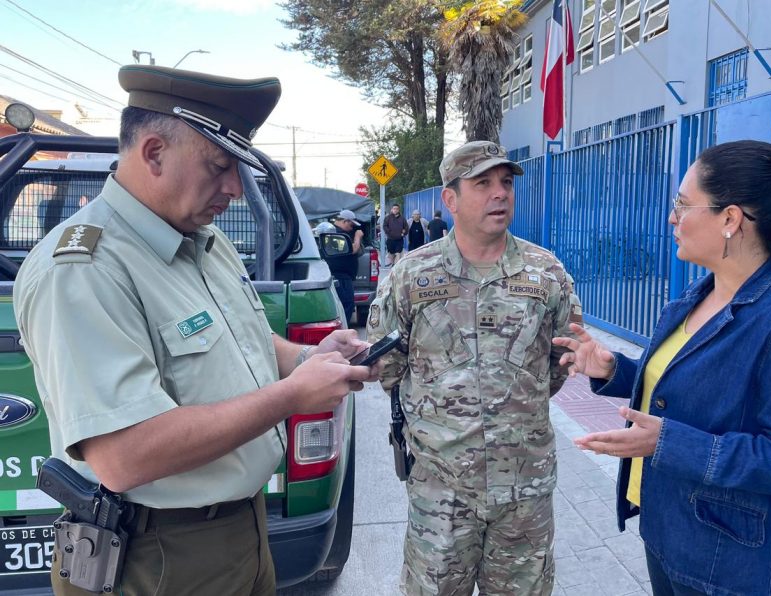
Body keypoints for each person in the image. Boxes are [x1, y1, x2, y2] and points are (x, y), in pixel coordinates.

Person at [13, 65, 377, 595]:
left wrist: (308, 358)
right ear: (154, 153)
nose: (235, 188)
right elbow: (124, 457)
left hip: (240, 529)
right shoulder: (84, 270)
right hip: (157, 555)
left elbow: (243, 340)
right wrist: (293, 395)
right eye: (219, 166)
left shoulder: (202, 239)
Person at [554, 141, 771, 596]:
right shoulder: (699, 296)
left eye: (683, 205)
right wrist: (614, 370)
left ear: (730, 219)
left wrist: (667, 442)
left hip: (734, 564)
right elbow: (692, 390)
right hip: (671, 530)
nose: (672, 218)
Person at [368, 140, 583, 595]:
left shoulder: (546, 274)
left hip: (523, 491)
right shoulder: (411, 275)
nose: (499, 193)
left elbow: (560, 362)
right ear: (450, 199)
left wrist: (511, 405)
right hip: (440, 489)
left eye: (505, 182)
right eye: (482, 183)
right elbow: (387, 365)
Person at [330, 208, 364, 324]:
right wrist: (357, 237)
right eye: (351, 224)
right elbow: (352, 250)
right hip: (341, 276)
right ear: (345, 221)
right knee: (347, 304)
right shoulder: (336, 234)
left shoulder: (337, 232)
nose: (352, 228)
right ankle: (343, 328)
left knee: (346, 304)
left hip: (342, 276)